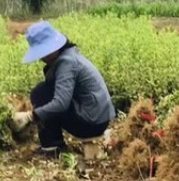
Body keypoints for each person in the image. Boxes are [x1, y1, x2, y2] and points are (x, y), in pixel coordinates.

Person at [16, 21, 115, 157]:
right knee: (44, 90)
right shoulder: (69, 56)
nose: (42, 58)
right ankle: (54, 143)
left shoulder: (66, 63)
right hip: (97, 118)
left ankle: (52, 147)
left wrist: (30, 116)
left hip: (91, 122)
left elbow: (61, 103)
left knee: (41, 93)